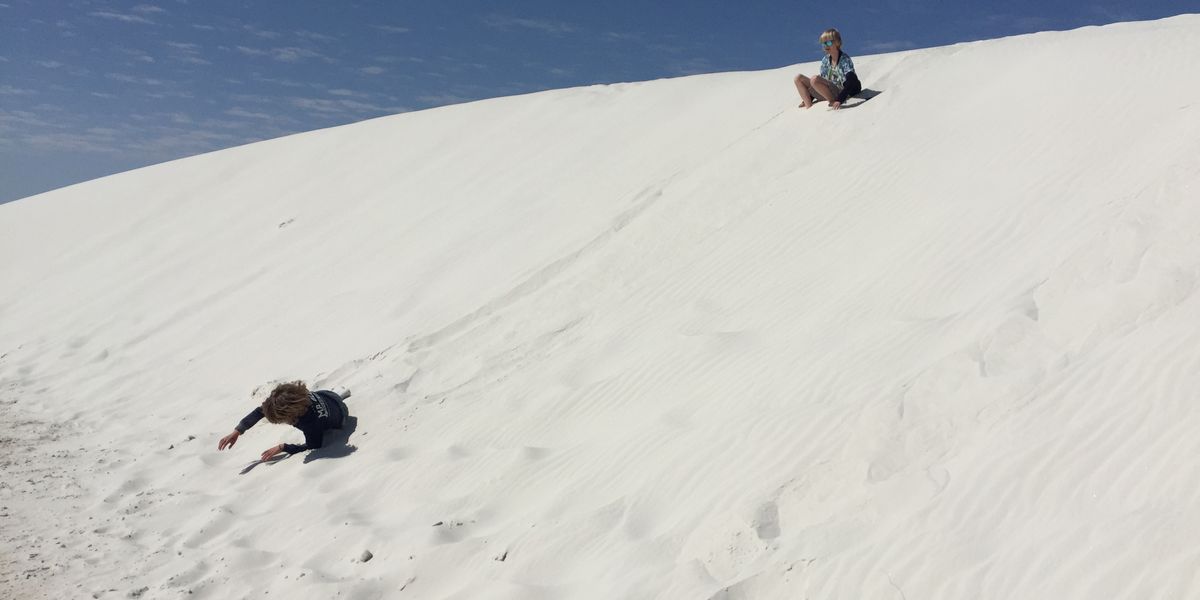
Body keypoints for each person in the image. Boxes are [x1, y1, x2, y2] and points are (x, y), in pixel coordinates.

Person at [217, 381, 351, 461]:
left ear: (292, 416)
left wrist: (284, 447)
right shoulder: (295, 397)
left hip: (342, 415)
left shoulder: (310, 424)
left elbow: (313, 445)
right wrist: (237, 431)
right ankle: (339, 395)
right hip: (328, 395)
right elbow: (260, 411)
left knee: (323, 425)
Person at [794, 28, 862, 110]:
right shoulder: (825, 60)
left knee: (814, 79)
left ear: (837, 43)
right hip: (827, 91)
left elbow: (851, 81)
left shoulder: (844, 60)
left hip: (842, 92)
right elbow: (822, 82)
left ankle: (832, 101)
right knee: (798, 78)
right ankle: (809, 109)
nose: (825, 46)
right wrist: (810, 96)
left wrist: (840, 99)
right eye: (823, 44)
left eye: (828, 42)